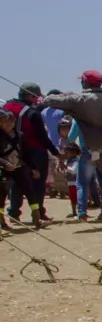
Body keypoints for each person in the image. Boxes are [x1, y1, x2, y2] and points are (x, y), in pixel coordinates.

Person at [41, 70, 102, 224]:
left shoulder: (79, 99)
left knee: (90, 182)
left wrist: (67, 94)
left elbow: (48, 101)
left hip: (98, 151)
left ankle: (84, 213)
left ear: (84, 82)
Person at [5, 82, 60, 223]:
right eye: (35, 97)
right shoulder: (32, 113)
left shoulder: (6, 107)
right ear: (30, 96)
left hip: (11, 152)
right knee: (37, 183)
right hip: (34, 151)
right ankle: (38, 213)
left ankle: (13, 213)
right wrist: (55, 151)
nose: (36, 100)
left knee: (16, 182)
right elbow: (42, 137)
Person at [67, 118, 102, 222]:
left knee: (82, 184)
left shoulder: (78, 118)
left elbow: (70, 138)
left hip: (87, 152)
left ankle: (82, 214)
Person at [0, 109, 38, 229]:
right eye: (3, 122)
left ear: (13, 122)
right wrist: (5, 163)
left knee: (29, 191)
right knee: (1, 194)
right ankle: (2, 220)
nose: (6, 124)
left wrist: (33, 168)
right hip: (3, 170)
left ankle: (37, 216)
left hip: (18, 167)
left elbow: (26, 154)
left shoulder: (20, 136)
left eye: (8, 122)